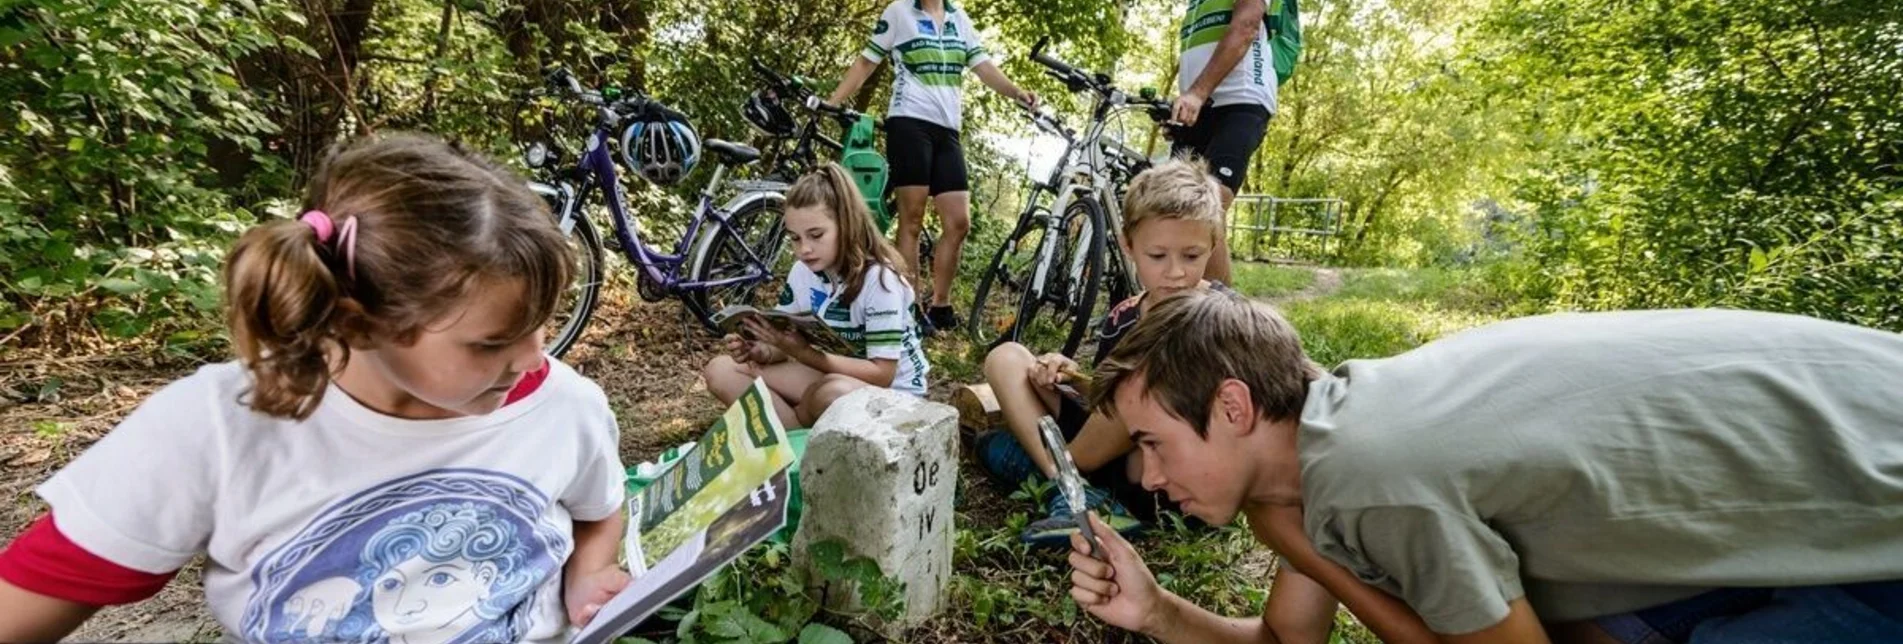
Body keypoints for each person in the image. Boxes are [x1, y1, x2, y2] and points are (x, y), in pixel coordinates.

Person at [0, 133, 632, 643]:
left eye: (543, 321)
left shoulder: (566, 407)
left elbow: (598, 511)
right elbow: (29, 602)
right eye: (491, 343)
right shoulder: (217, 429)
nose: (535, 355)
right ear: (357, 321)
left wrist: (588, 574)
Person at [1066, 290, 1903, 643]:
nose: (1143, 478)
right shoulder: (1340, 426)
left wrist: (1291, 537)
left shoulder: (1372, 473)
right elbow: (1292, 639)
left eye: (1150, 443)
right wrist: (1160, 612)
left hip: (1877, 516)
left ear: (1235, 406)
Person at [975, 160, 1234, 547]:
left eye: (1192, 256)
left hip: (1161, 477)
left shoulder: (1222, 315)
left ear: (1212, 246)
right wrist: (1066, 374)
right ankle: (1074, 492)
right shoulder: (1122, 316)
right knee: (1007, 358)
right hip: (1105, 450)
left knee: (1140, 392)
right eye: (1158, 256)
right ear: (1129, 246)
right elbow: (1103, 400)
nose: (1176, 272)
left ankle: (1052, 479)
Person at [826, 0, 1039, 333]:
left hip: (947, 129)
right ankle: (908, 308)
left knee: (958, 222)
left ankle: (939, 305)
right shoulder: (899, 12)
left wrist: (1018, 93)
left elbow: (983, 67)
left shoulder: (958, 18)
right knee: (911, 219)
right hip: (908, 122)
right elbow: (867, 61)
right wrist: (833, 103)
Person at [702, 163, 930, 428]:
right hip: (830, 377)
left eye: (816, 235)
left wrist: (804, 353)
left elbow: (882, 375)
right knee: (721, 370)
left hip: (895, 399)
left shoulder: (880, 281)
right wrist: (762, 350)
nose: (805, 249)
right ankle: (798, 436)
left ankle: (794, 427)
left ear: (846, 225)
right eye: (795, 238)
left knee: (831, 392)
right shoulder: (802, 272)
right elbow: (784, 346)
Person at [1170, 0, 1279, 285]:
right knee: (1168, 209)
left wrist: (1196, 93)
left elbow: (1246, 27)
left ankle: (1224, 321)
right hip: (1200, 109)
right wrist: (1182, 108)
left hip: (1241, 100)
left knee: (1205, 207)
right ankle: (1173, 313)